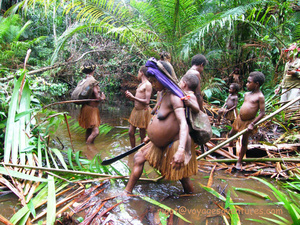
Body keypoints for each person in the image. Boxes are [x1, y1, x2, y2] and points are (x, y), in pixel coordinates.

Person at [124, 58, 197, 194]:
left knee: (182, 177)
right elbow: (157, 117)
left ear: (163, 79)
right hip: (158, 143)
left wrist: (181, 150)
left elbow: (183, 124)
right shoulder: (162, 94)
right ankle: (127, 192)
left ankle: (191, 198)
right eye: (151, 81)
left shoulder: (174, 97)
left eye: (154, 81)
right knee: (138, 158)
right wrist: (150, 136)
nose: (153, 84)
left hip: (174, 143)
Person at [228, 72, 265, 170]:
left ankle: (239, 161)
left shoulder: (260, 97)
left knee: (244, 141)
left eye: (249, 82)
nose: (246, 84)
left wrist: (252, 124)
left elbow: (262, 113)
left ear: (256, 84)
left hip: (249, 122)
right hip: (239, 119)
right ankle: (230, 149)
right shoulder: (246, 94)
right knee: (231, 134)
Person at [78, 61, 106, 144]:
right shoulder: (93, 81)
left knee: (89, 129)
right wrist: (102, 98)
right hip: (91, 110)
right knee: (95, 132)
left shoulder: (84, 81)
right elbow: (97, 97)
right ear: (93, 70)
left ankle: (88, 151)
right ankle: (88, 147)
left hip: (85, 108)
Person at [125, 66, 153, 148]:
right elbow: (138, 99)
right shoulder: (141, 84)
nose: (137, 74)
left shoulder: (148, 84)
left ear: (141, 73)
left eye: (138, 72)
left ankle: (141, 151)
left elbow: (147, 101)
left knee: (142, 135)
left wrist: (133, 97)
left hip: (143, 111)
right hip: (136, 111)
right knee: (130, 132)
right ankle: (132, 150)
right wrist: (131, 97)